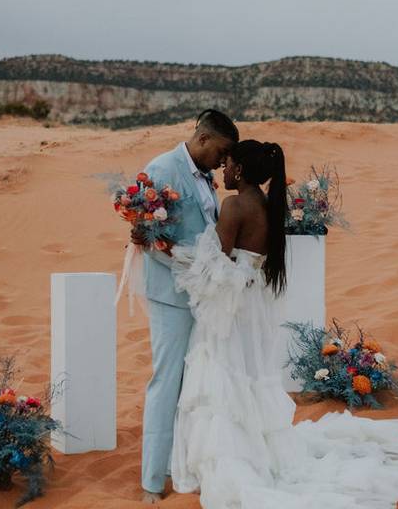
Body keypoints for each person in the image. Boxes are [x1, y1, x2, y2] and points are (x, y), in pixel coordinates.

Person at [162, 139, 398, 508]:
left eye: (229, 163)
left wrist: (170, 249)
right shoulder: (267, 207)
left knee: (223, 375)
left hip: (232, 306)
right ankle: (253, 447)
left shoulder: (235, 205)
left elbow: (215, 266)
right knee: (247, 374)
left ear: (240, 169)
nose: (224, 169)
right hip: (252, 301)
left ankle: (233, 458)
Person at [131, 108, 239, 504]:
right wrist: (197, 265)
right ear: (204, 139)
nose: (224, 162)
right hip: (172, 296)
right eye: (222, 152)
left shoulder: (205, 177)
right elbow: (149, 238)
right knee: (166, 383)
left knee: (193, 384)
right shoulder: (162, 170)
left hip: (201, 297)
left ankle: (184, 466)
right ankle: (151, 481)